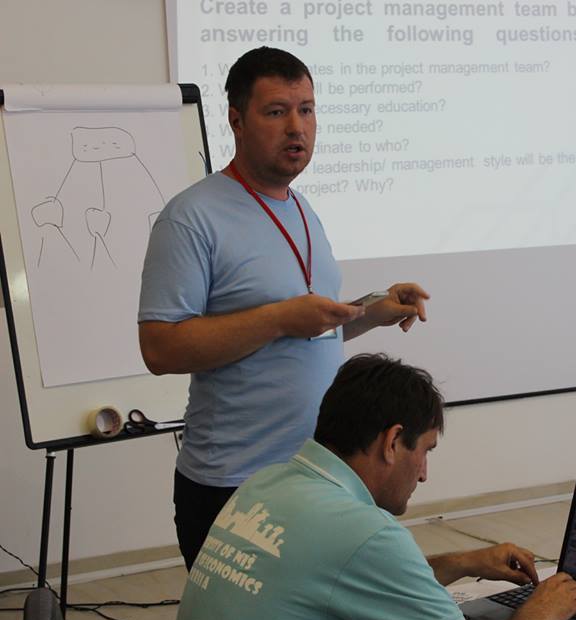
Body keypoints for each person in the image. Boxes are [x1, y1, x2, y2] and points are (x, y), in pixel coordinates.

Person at [137, 47, 429, 569]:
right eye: (276, 112)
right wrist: (277, 319)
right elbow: (160, 348)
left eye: (307, 110)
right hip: (233, 484)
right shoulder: (191, 217)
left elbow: (307, 327)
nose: (297, 127)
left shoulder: (302, 209)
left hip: (314, 473)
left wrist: (371, 311)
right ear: (237, 121)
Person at [174, 354, 576, 620]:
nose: (424, 474)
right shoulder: (365, 533)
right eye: (425, 451)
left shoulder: (266, 484)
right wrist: (539, 612)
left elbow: (350, 579)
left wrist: (462, 563)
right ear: (393, 441)